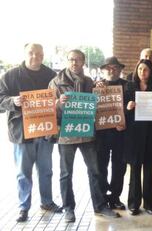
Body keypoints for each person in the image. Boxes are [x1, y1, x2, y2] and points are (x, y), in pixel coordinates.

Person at [49, 49, 120, 223]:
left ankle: (100, 206)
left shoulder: (89, 82)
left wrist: (101, 91)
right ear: (67, 61)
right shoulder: (56, 82)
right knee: (66, 173)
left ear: (83, 62)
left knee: (95, 171)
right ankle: (68, 208)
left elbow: (97, 106)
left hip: (87, 134)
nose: (75, 63)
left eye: (78, 60)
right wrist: (58, 103)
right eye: (72, 59)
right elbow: (48, 109)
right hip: (66, 134)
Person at [0, 43, 62, 222]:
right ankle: (23, 207)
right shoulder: (10, 76)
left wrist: (58, 104)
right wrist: (12, 101)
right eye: (31, 53)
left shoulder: (51, 75)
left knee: (46, 170)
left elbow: (61, 96)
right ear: (25, 53)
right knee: (23, 172)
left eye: (39, 54)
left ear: (43, 55)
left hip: (45, 131)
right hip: (22, 133)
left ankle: (47, 202)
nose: (36, 56)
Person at [124, 59, 152, 216]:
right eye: (140, 69)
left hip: (151, 134)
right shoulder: (129, 87)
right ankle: (134, 204)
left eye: (146, 69)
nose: (143, 72)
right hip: (134, 135)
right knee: (135, 171)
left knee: (149, 170)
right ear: (136, 71)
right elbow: (122, 112)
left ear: (151, 71)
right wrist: (127, 108)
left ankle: (149, 204)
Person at [96, 57, 128, 210]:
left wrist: (125, 121)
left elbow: (131, 109)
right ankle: (102, 197)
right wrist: (95, 90)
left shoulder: (128, 86)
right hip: (101, 134)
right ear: (103, 70)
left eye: (115, 68)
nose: (111, 70)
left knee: (119, 168)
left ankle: (115, 197)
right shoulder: (96, 86)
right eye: (108, 68)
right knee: (101, 166)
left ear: (120, 70)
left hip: (120, 135)